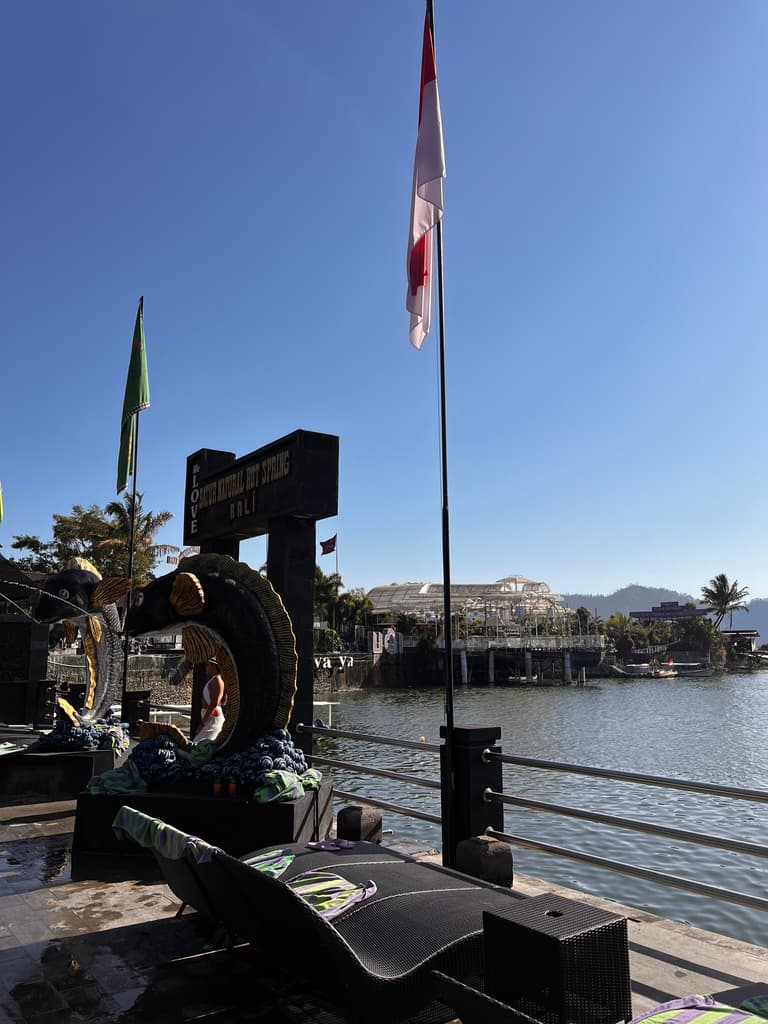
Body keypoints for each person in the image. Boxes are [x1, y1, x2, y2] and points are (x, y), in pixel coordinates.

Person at [194, 657, 226, 743]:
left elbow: (214, 704)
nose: (206, 667)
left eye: (208, 665)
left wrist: (202, 724)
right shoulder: (214, 679)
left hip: (213, 720)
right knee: (199, 745)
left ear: (214, 666)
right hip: (210, 719)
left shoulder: (217, 680)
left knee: (199, 745)